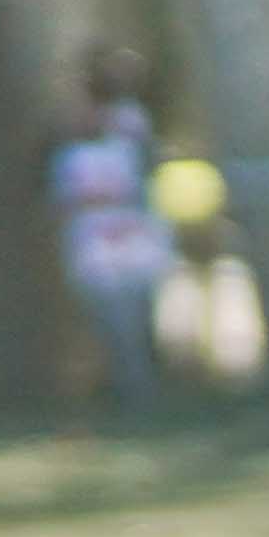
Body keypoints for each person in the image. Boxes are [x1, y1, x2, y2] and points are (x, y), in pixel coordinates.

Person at [49, 61, 175, 413]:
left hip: (132, 241)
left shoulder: (129, 138)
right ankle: (127, 390)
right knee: (112, 323)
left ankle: (148, 389)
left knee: (139, 318)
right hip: (97, 244)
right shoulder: (71, 156)